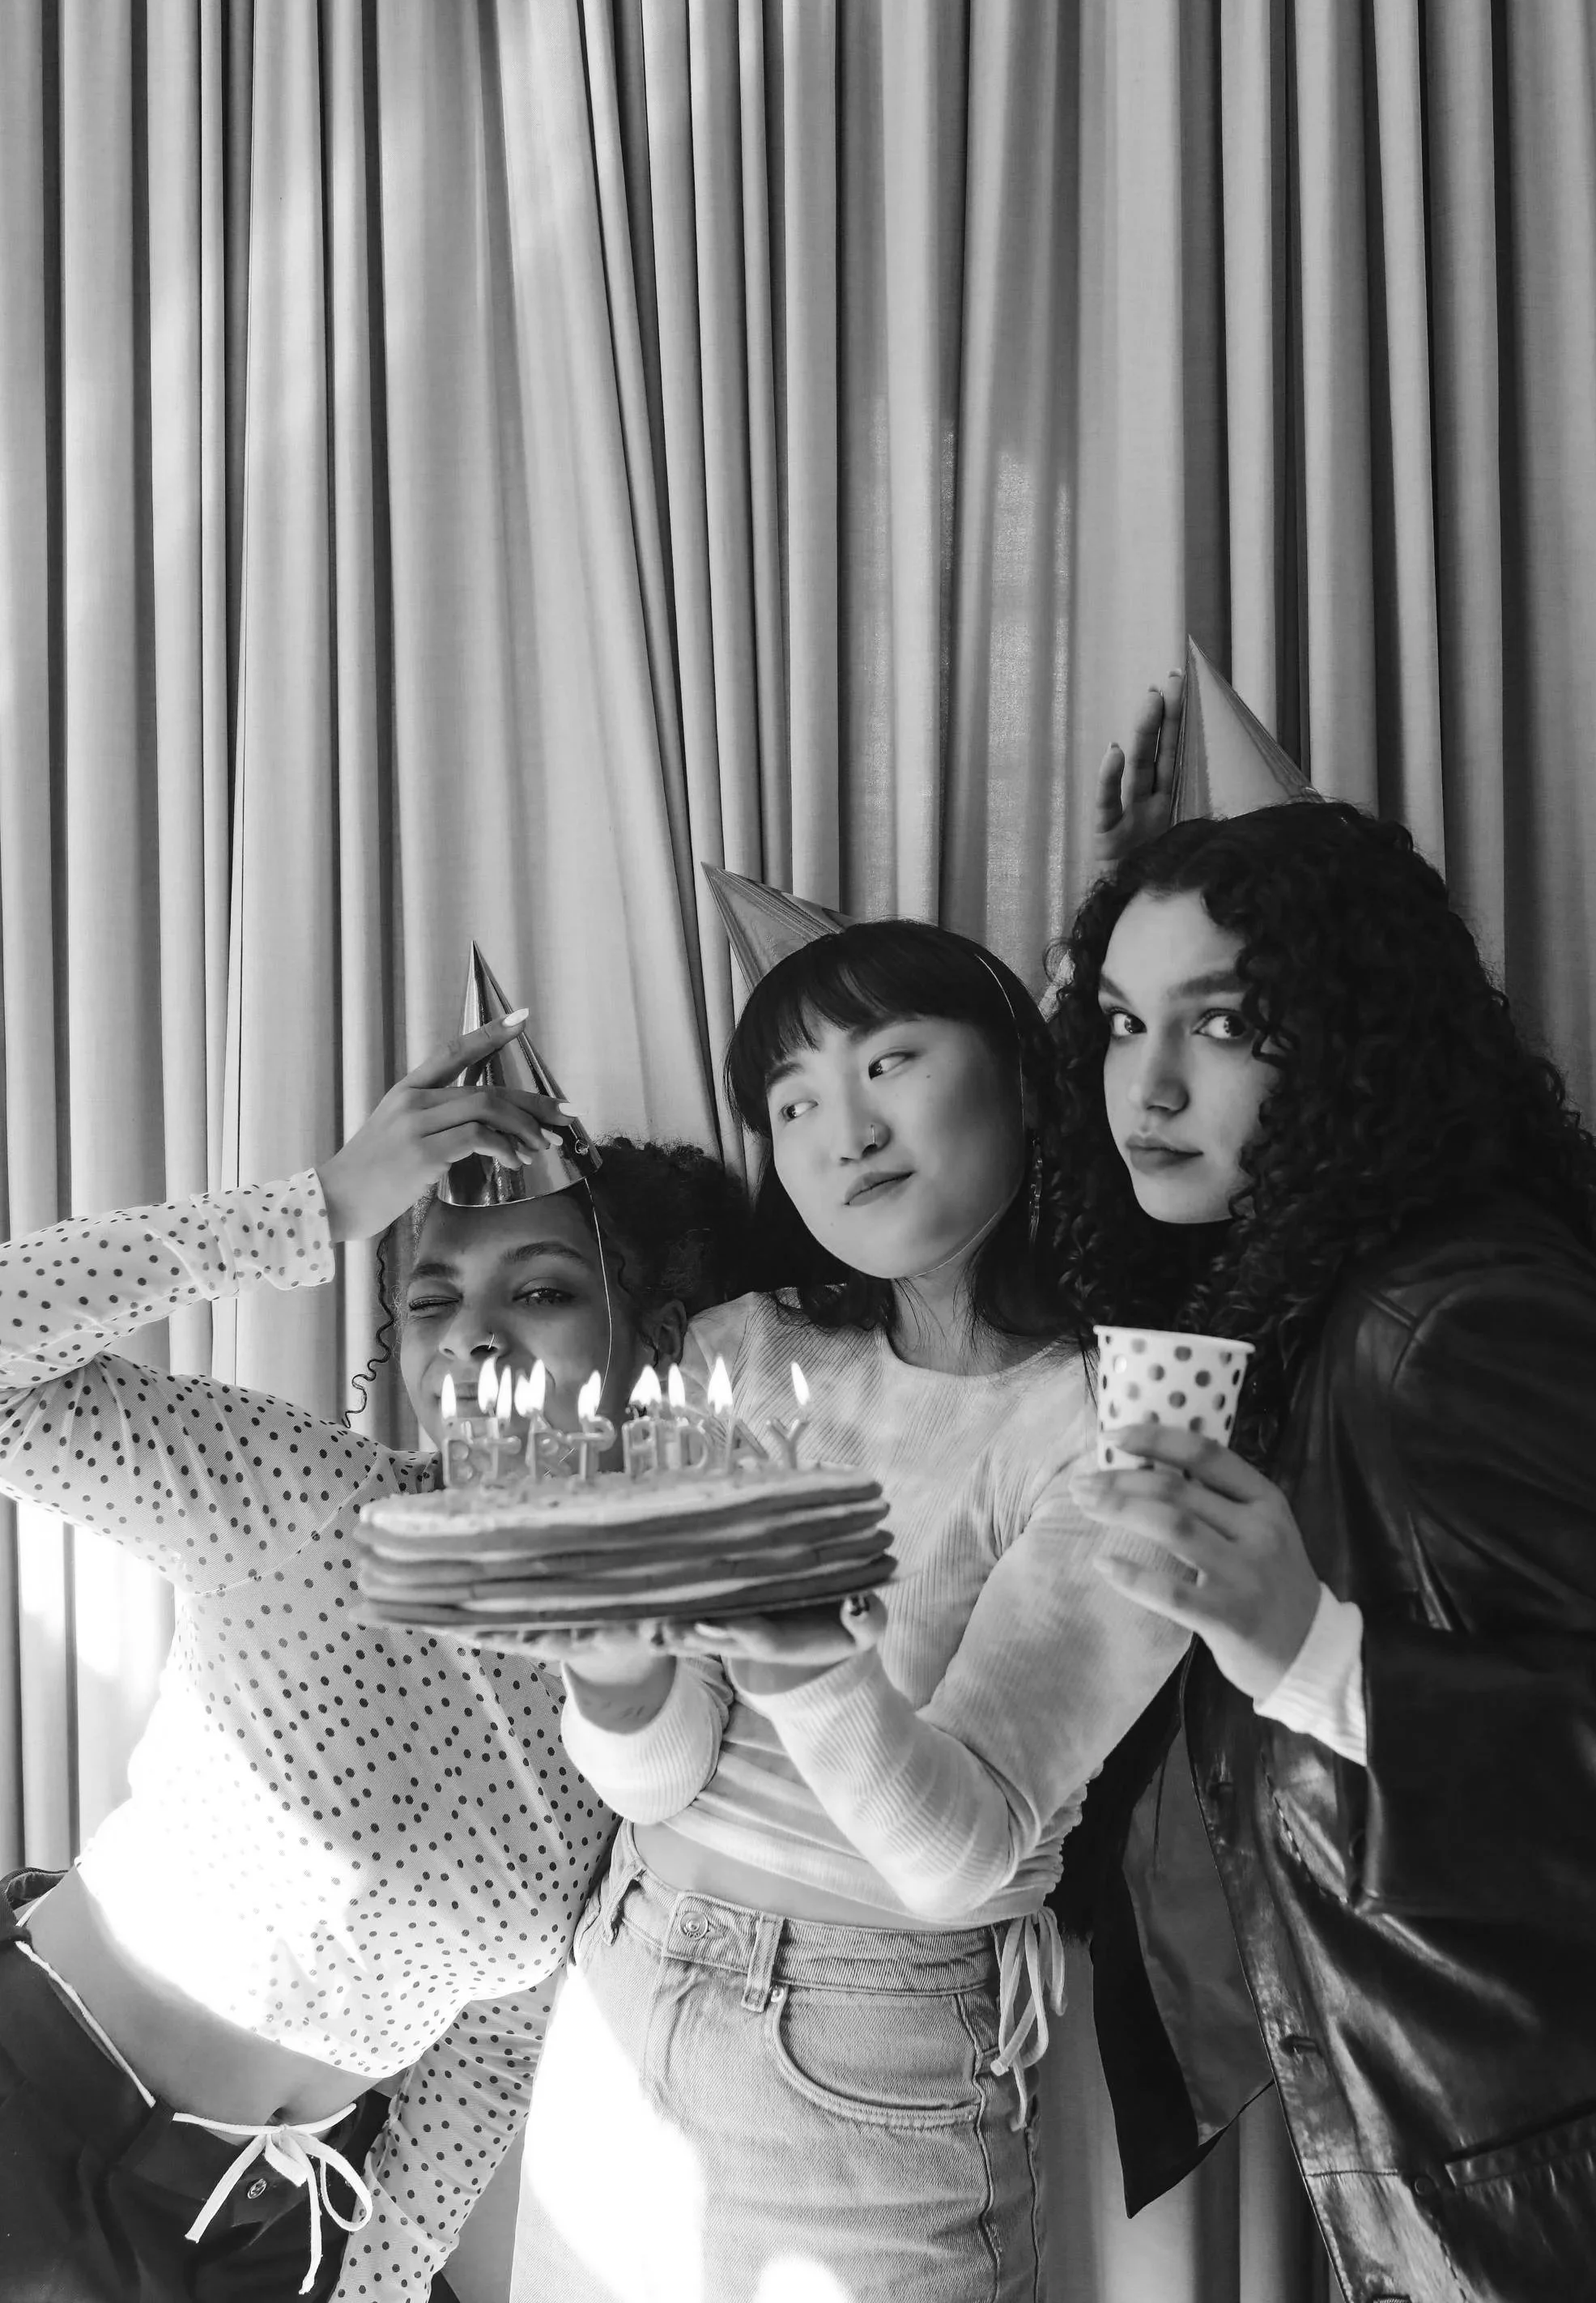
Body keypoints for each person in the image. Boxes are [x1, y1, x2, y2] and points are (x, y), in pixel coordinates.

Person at [0, 1012, 745, 2303]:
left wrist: (381, 2281)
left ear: (659, 1342)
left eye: (545, 1290)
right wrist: (318, 1207)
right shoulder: (303, 1496)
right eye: (431, 1297)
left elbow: (496, 2043)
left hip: (276, 2236)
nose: (472, 1337)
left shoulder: (654, 1682)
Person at [501, 915, 1189, 2303]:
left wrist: (798, 1638)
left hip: (872, 2061)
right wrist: (614, 1674)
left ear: (1018, 1077)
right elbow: (661, 1776)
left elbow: (957, 1860)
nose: (845, 1130)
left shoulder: (1132, 1422)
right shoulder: (741, 1350)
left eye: (893, 1062)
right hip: (629, 1977)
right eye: (795, 1100)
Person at [1045, 800, 1596, 2303]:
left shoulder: (1445, 1331)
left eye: (1222, 1023)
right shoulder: (1301, 1313)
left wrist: (1320, 1659)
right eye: (1119, 1022)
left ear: (1354, 1043)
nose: (1148, 1085)